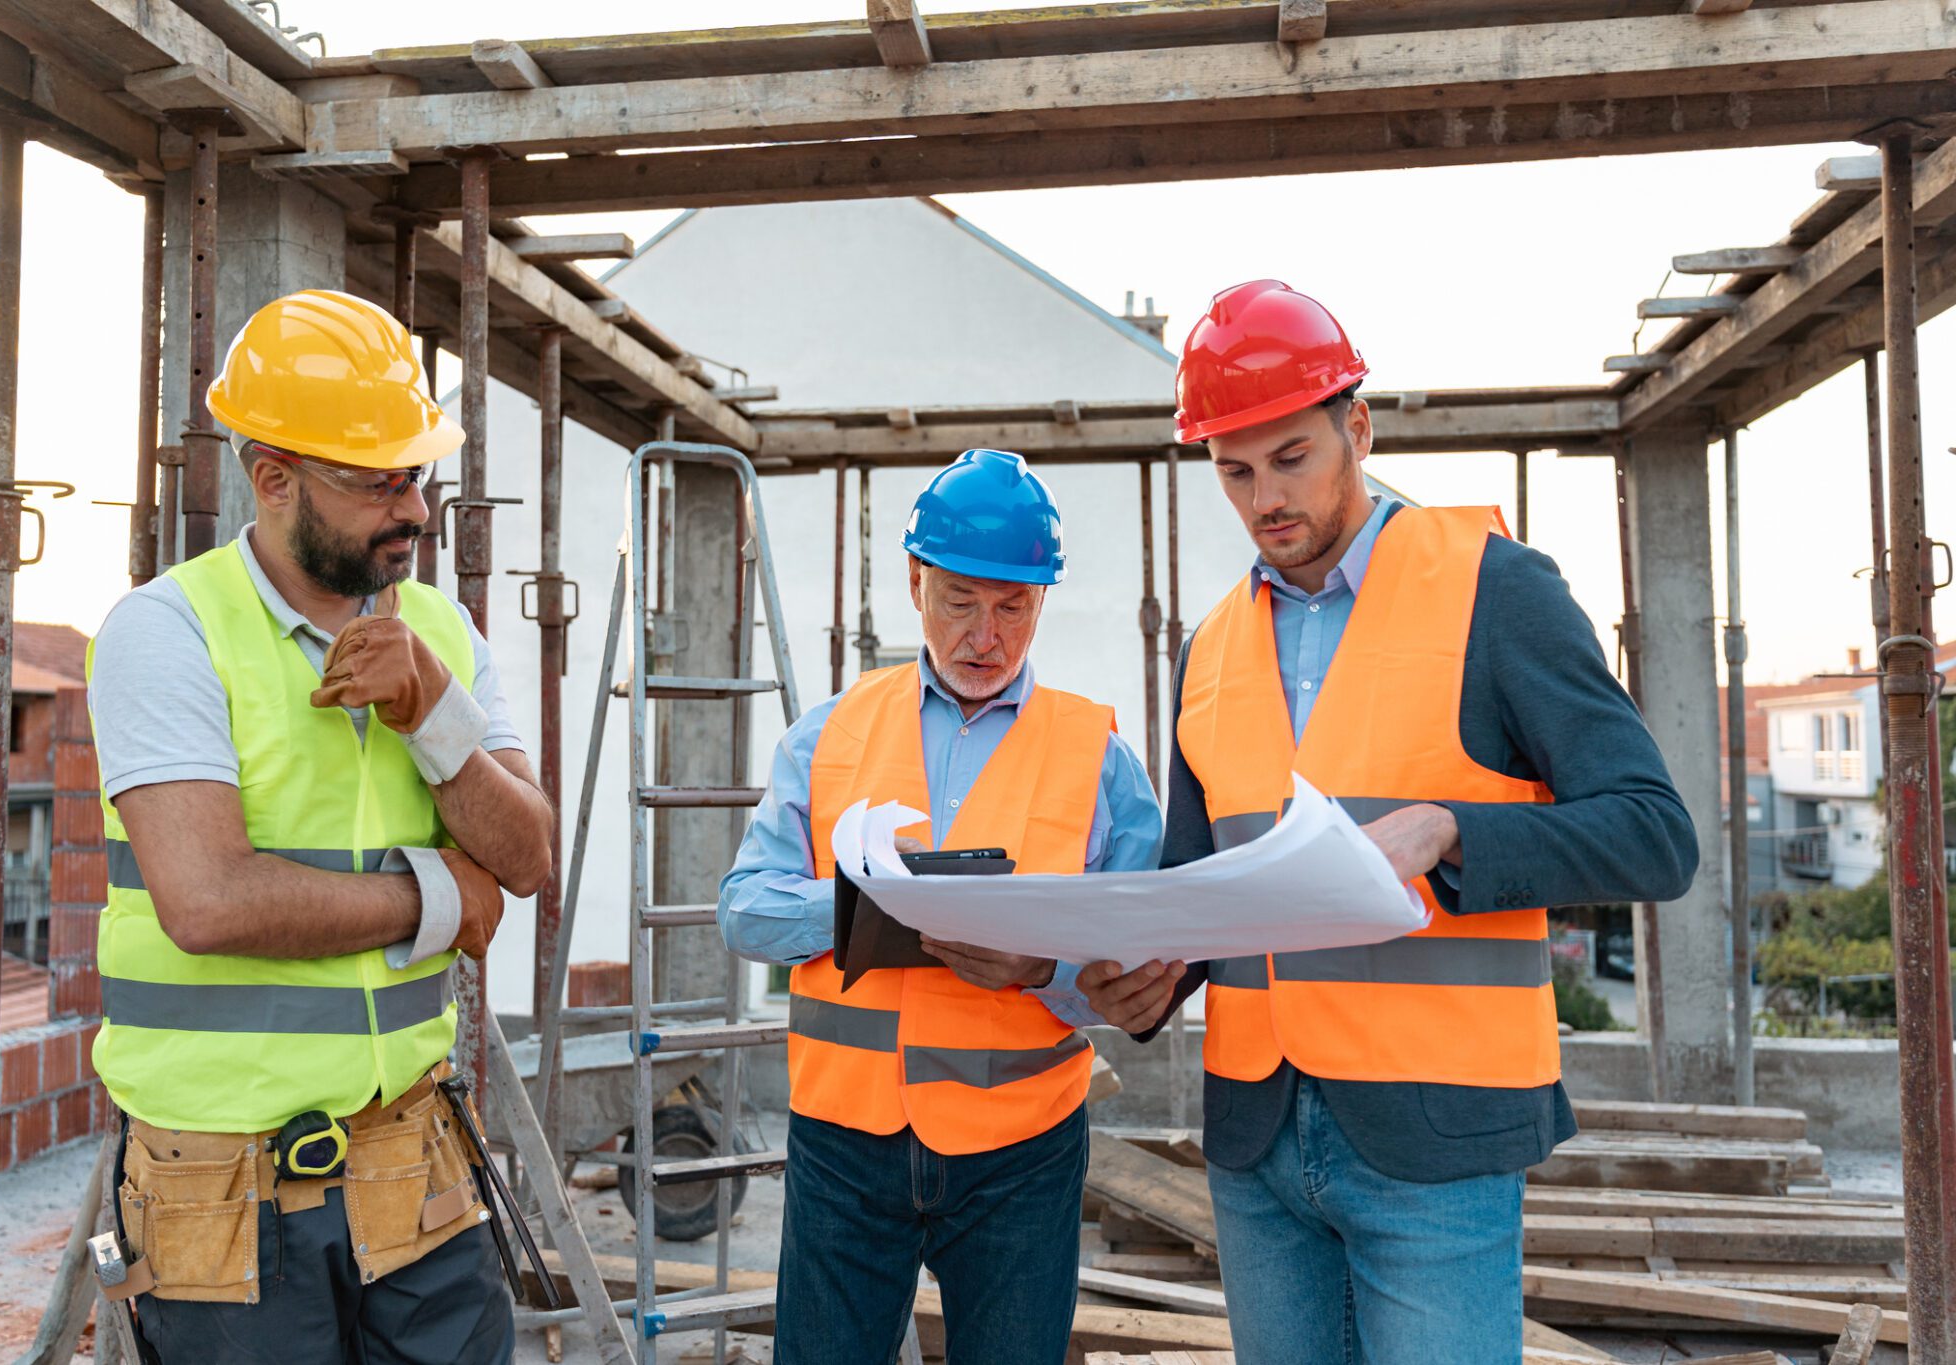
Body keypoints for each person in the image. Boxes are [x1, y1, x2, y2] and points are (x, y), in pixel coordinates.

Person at [1077, 281, 1699, 1364]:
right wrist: (1146, 977)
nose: (1264, 497)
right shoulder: (1209, 649)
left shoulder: (1493, 593)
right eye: (1233, 470)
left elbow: (1652, 833)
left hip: (1436, 1138)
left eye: (1290, 458)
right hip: (1256, 1137)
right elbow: (1199, 882)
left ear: (1354, 428)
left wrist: (1447, 831)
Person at [85, 289, 552, 1365]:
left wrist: (432, 715)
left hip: (412, 1157)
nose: (413, 510)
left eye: (415, 475)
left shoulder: (440, 628)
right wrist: (439, 897)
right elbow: (205, 902)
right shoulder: (169, 632)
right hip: (223, 1180)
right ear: (276, 479)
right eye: (373, 481)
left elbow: (524, 856)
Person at [718, 449, 1162, 1365]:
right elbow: (745, 909)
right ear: (916, 581)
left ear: (1044, 599)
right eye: (960, 599)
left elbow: (1144, 965)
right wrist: (869, 906)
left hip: (1022, 1154)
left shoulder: (1100, 758)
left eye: (1014, 606)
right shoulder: (828, 734)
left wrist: (1044, 969)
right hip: (845, 1144)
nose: (985, 635)